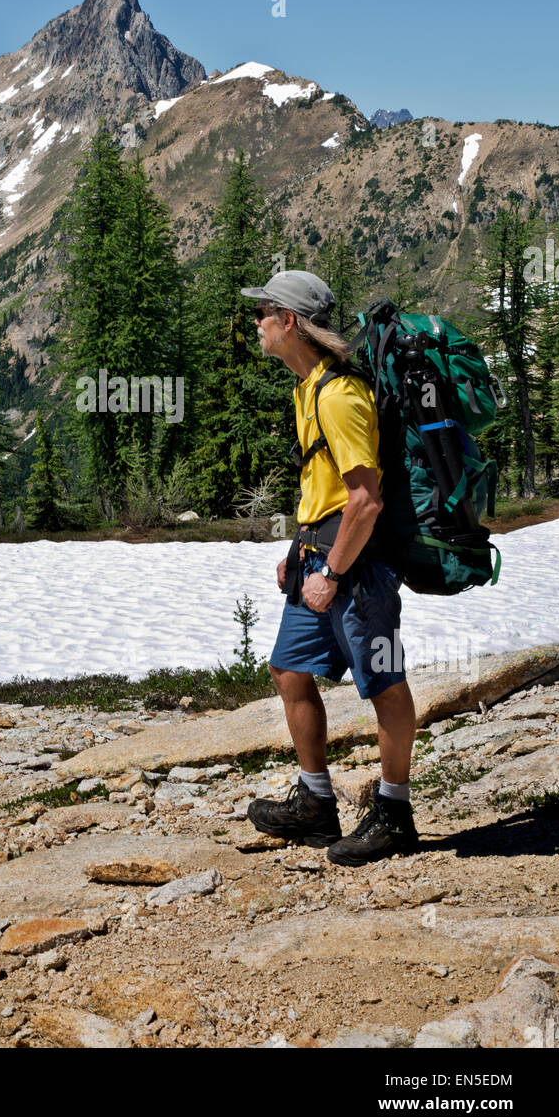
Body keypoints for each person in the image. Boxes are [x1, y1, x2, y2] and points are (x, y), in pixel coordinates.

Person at [239, 270, 419, 865]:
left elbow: (365, 500)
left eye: (263, 311)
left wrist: (333, 573)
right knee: (290, 670)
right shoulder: (308, 387)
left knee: (385, 685)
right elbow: (327, 488)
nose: (256, 322)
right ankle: (316, 803)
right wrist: (301, 551)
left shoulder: (339, 395)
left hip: (356, 567)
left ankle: (394, 813)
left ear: (289, 321)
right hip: (319, 554)